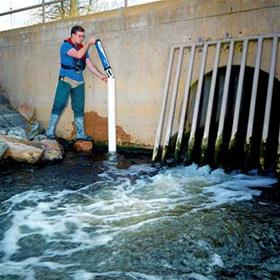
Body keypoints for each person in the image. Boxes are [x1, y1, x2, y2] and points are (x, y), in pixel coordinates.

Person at [46, 25, 107, 141]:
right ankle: (49, 131)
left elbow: (89, 64)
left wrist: (101, 76)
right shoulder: (65, 46)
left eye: (83, 36)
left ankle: (80, 134)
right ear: (73, 35)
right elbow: (78, 55)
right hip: (66, 79)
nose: (82, 38)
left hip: (79, 82)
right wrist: (89, 43)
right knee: (59, 104)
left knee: (79, 108)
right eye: (79, 36)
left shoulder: (82, 47)